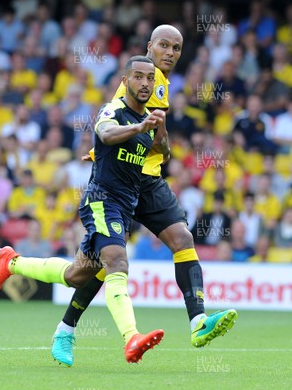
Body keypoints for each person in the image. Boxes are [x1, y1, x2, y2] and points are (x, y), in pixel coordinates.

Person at [49, 25, 237, 366]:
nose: (170, 52)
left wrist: (159, 143)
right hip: (119, 182)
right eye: (163, 45)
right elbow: (114, 116)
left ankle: (197, 322)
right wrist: (101, 147)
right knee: (100, 266)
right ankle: (66, 328)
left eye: (176, 48)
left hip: (148, 180)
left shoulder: (161, 85)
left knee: (181, 239)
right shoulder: (139, 78)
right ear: (149, 46)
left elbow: (152, 139)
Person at [0, 56, 168, 364]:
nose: (145, 83)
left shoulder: (150, 119)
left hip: (125, 206)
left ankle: (12, 262)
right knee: (117, 261)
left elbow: (163, 151)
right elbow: (107, 133)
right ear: (125, 81)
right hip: (101, 199)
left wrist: (158, 129)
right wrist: (139, 126)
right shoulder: (115, 111)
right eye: (138, 77)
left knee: (76, 276)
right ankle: (131, 338)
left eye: (150, 79)